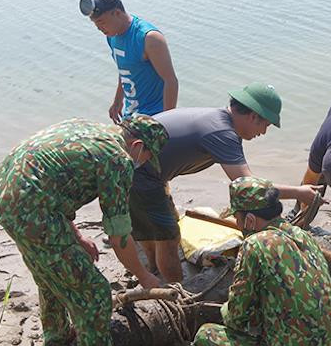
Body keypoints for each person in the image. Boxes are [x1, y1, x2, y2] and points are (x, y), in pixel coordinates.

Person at [0, 116, 168, 346]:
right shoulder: (118, 159)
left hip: (6, 193)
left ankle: (57, 335)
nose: (142, 163)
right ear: (138, 145)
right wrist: (144, 276)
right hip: (32, 207)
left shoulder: (89, 128)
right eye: (147, 156)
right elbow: (119, 234)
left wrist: (77, 236)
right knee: (94, 291)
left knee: (51, 270)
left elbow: (56, 181)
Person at [131, 82, 321, 283]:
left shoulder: (218, 120)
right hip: (142, 174)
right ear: (253, 116)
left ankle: (153, 271)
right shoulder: (221, 132)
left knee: (151, 226)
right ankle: (175, 293)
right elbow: (250, 188)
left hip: (136, 168)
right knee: (168, 238)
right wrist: (300, 192)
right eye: (265, 125)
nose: (264, 132)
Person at [192, 177, 331, 346]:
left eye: (237, 218)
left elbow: (236, 318)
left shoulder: (254, 245)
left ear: (250, 221)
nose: (237, 224)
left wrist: (224, 308)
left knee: (205, 336)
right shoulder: (303, 236)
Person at [80, 0, 178, 122]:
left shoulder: (149, 38)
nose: (99, 28)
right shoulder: (111, 35)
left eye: (101, 22)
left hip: (153, 119)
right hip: (130, 116)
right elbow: (125, 70)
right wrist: (117, 101)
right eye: (95, 24)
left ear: (117, 13)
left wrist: (169, 123)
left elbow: (171, 81)